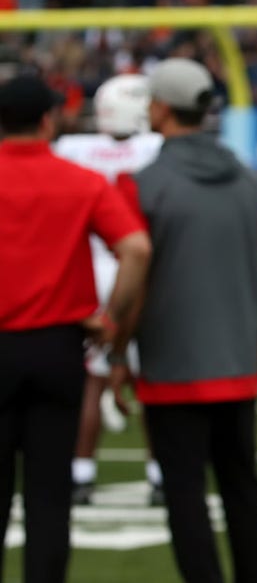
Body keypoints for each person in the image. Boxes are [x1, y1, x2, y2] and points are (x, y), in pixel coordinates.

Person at [110, 57, 257, 583]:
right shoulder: (250, 179)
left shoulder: (139, 185)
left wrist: (116, 352)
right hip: (236, 360)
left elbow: (134, 281)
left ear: (159, 108)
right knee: (242, 488)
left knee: (185, 493)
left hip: (170, 365)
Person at [0, 74, 151, 583]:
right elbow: (136, 248)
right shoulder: (78, 180)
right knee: (47, 502)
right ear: (47, 121)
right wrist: (110, 320)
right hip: (57, 347)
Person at [54, 73, 165, 506]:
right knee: (150, 378)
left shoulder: (72, 150)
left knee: (93, 380)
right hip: (138, 269)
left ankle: (80, 472)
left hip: (90, 271)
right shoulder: (155, 149)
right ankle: (160, 475)